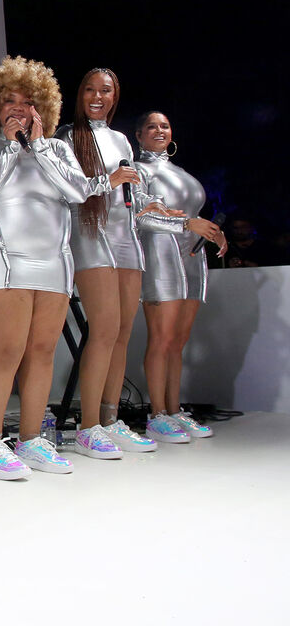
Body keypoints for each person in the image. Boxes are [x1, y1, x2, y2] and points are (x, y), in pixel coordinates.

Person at [0, 57, 98, 480]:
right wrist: (11, 149)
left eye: (28, 102)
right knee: (7, 349)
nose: (19, 108)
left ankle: (31, 438)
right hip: (0, 258)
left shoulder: (56, 149)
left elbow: (78, 192)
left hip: (53, 260)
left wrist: (36, 147)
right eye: (10, 101)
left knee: (42, 351)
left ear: (43, 108)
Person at [56, 69, 155, 457]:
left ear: (115, 96)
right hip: (89, 234)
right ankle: (88, 426)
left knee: (123, 332)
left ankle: (111, 420)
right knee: (104, 329)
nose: (97, 97)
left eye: (105, 91)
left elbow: (130, 191)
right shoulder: (67, 137)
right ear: (80, 94)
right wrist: (109, 180)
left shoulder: (121, 139)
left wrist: (152, 204)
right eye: (90, 90)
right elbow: (69, 190)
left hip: (125, 236)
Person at [133, 111, 226, 441]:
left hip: (192, 256)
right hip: (160, 254)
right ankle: (157, 415)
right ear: (139, 135)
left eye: (165, 126)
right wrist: (186, 224)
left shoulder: (181, 172)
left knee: (178, 341)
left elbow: (195, 215)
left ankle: (174, 410)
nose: (159, 130)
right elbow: (139, 217)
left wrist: (213, 232)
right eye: (152, 126)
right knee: (161, 338)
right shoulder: (137, 171)